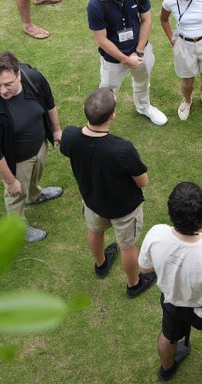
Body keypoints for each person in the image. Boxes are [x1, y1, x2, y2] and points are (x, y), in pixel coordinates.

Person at [60, 87, 157, 298]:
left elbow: (67, 147)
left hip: (92, 202)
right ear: (112, 115)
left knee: (95, 231)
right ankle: (134, 284)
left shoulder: (70, 136)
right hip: (124, 209)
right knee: (128, 247)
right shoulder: (122, 149)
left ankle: (101, 264)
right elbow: (143, 182)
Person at [139, 182, 202, 383]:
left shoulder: (156, 233)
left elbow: (145, 268)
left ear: (171, 211)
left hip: (172, 303)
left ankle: (166, 370)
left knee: (169, 336)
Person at [0, 52, 64, 243]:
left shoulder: (33, 78)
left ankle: (34, 194)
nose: (2, 90)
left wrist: (56, 130)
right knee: (15, 193)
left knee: (36, 175)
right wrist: (9, 181)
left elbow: (49, 102)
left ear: (19, 75)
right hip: (16, 160)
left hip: (39, 144)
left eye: (8, 84)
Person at [89, 0, 168, 126]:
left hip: (140, 51)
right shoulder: (96, 5)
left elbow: (146, 20)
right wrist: (125, 59)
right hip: (113, 59)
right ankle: (103, 120)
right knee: (108, 91)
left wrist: (138, 52)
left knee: (143, 81)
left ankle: (143, 107)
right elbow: (101, 39)